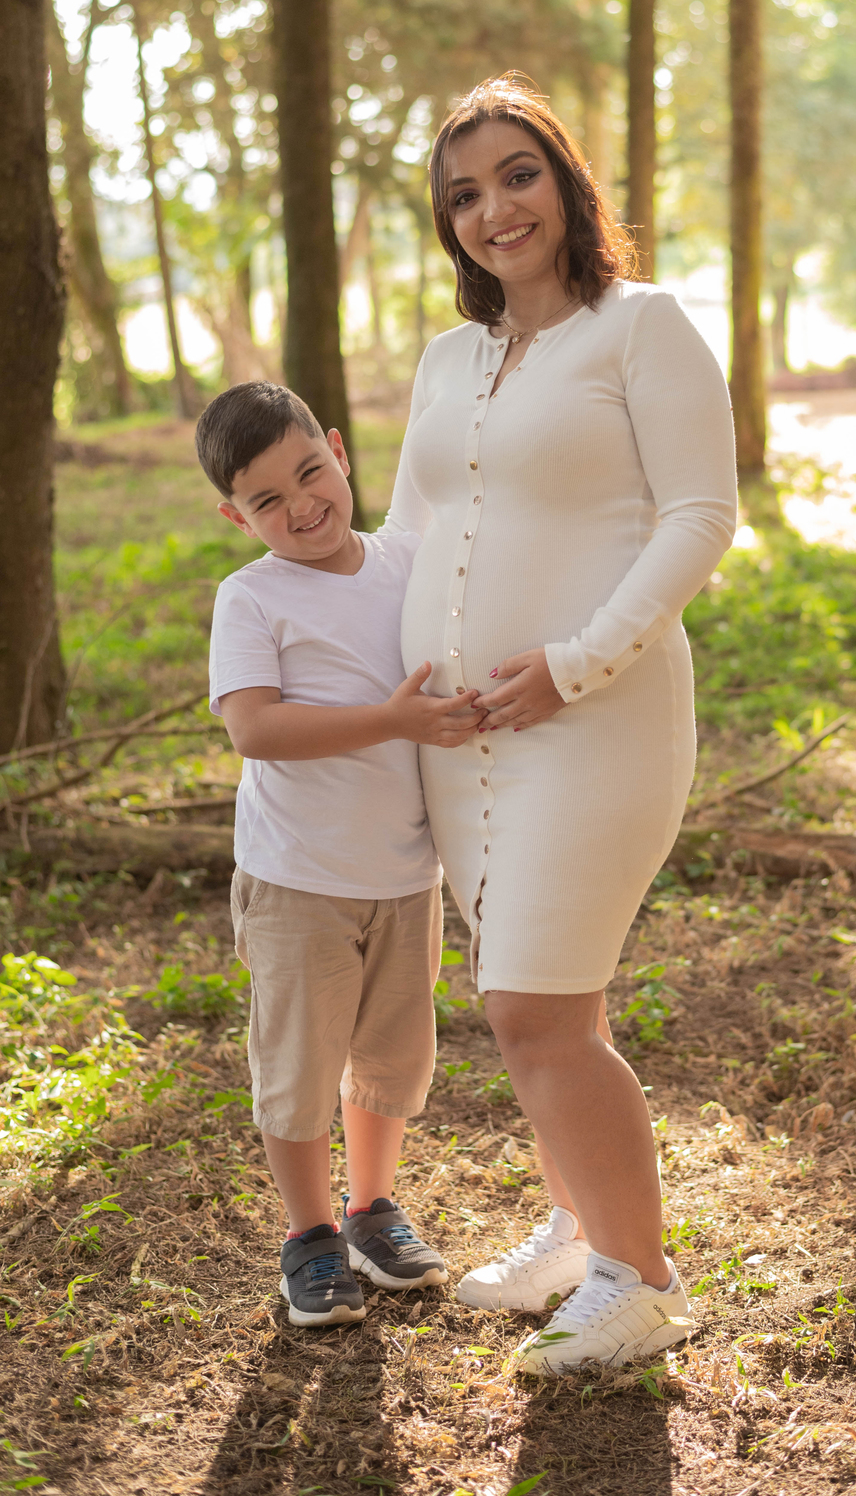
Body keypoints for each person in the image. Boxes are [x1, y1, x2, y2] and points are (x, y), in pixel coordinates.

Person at [383, 74, 738, 1374]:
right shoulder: (449, 357)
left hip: (597, 723)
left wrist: (576, 664)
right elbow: (414, 536)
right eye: (464, 193)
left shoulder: (639, 326)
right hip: (454, 742)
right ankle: (583, 1232)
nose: (494, 208)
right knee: (532, 1002)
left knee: (537, 1007)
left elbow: (702, 515)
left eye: (516, 173)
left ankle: (642, 1280)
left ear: (566, 178)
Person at [196, 382, 480, 1327]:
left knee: (390, 1061)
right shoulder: (252, 597)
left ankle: (370, 1208)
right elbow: (256, 729)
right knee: (301, 1067)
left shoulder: (409, 562)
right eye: (268, 501)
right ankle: (309, 1235)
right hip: (298, 881)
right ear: (236, 516)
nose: (301, 505)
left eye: (309, 473)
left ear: (339, 450)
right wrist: (392, 721)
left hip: (405, 875)